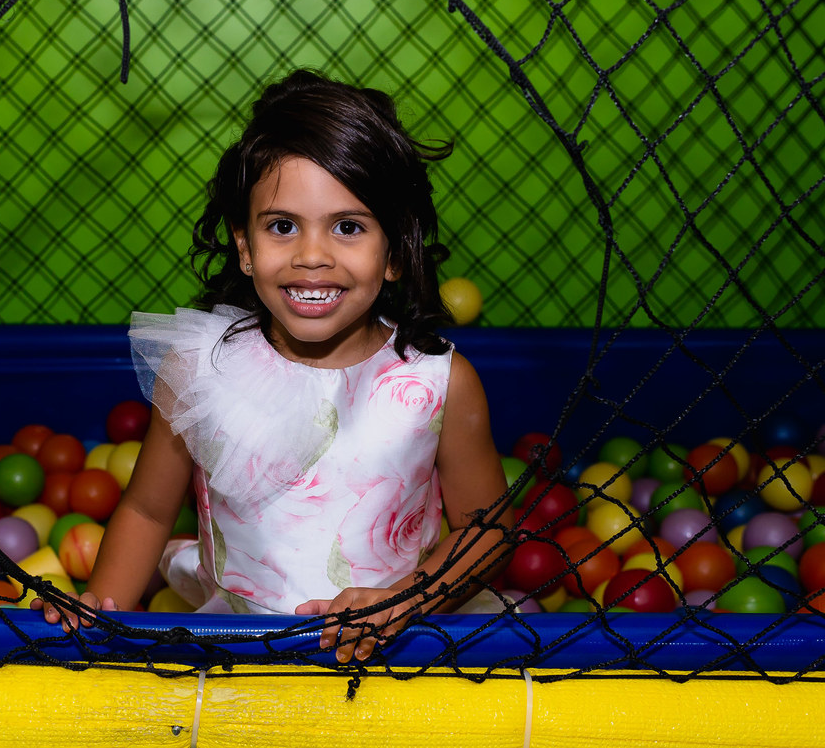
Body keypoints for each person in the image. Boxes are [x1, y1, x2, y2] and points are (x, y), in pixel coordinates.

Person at [35, 69, 514, 662]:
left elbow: (488, 529)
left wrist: (401, 601)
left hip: (400, 644)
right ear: (244, 245)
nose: (312, 256)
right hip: (236, 645)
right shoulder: (200, 369)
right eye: (283, 227)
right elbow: (148, 507)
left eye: (348, 227)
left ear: (393, 252)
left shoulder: (438, 382)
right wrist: (98, 610)